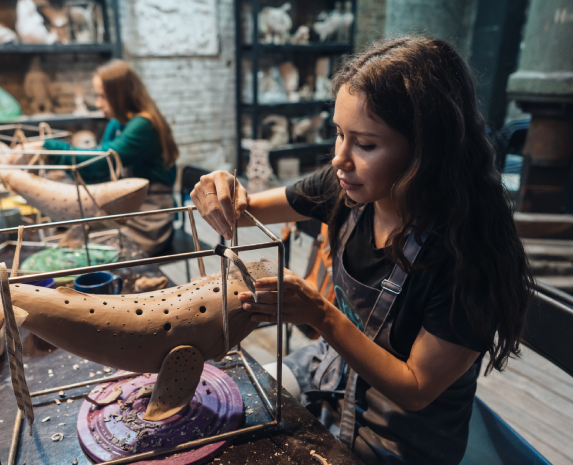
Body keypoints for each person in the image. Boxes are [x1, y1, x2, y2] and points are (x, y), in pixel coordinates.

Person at [190, 37, 534, 464]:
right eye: (338, 133)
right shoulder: (345, 189)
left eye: (365, 144)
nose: (339, 159)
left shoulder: (469, 256)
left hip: (401, 436)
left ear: (426, 151)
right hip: (331, 372)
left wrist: (319, 313)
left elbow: (416, 390)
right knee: (227, 413)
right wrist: (220, 190)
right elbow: (244, 210)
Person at [44, 59, 178, 256]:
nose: (98, 104)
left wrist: (47, 147)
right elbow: (99, 168)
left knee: (91, 251)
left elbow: (100, 162)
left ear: (120, 95)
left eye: (102, 96)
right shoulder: (117, 123)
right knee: (73, 235)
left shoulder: (143, 125)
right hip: (126, 209)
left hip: (149, 217)